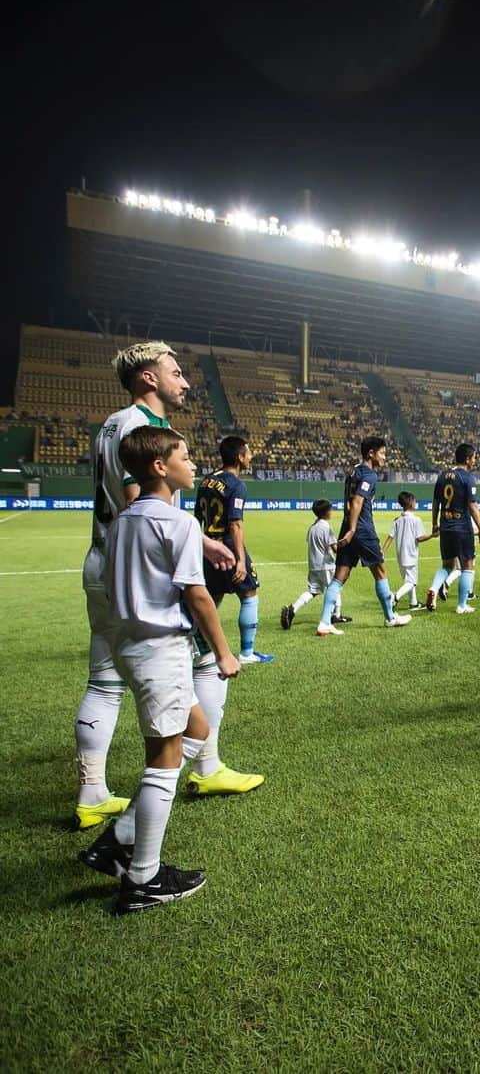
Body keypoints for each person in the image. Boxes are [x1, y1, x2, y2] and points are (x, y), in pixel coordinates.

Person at [74, 342, 245, 830]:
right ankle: (204, 765)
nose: (185, 382)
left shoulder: (110, 423)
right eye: (175, 373)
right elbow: (140, 503)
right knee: (210, 661)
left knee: (103, 682)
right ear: (149, 379)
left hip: (104, 564)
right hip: (142, 575)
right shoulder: (141, 430)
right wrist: (193, 544)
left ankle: (91, 793)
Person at [78, 426, 240, 914]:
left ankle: (120, 837)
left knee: (197, 728)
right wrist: (224, 652)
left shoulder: (125, 518)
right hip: (160, 647)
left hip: (128, 643)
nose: (193, 464)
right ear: (159, 467)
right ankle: (143, 877)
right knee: (165, 759)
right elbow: (196, 594)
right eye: (184, 457)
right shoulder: (178, 523)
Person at [318, 436, 411, 634]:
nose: (385, 457)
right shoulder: (369, 475)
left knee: (339, 576)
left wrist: (348, 529)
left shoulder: (353, 471)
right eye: (383, 453)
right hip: (361, 529)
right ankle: (390, 617)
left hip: (348, 527)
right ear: (371, 453)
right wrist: (353, 530)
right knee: (381, 573)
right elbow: (358, 502)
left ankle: (325, 622)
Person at [194, 435, 274, 663]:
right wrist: (240, 560)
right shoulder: (236, 485)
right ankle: (247, 653)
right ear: (239, 457)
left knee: (212, 596)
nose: (251, 456)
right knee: (249, 593)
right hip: (228, 546)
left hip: (208, 545)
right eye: (248, 452)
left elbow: (197, 518)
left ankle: (199, 646)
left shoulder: (206, 481)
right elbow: (235, 523)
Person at [425, 444, 480, 615]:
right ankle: (461, 605)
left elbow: (436, 502)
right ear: (467, 459)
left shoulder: (442, 476)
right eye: (474, 457)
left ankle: (434, 587)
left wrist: (434, 524)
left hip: (445, 525)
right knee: (467, 567)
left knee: (447, 565)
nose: (475, 461)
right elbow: (472, 505)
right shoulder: (467, 478)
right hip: (462, 527)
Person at [281, 500, 350, 628]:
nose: (332, 512)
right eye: (330, 509)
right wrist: (345, 543)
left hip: (314, 565)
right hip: (326, 565)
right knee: (335, 587)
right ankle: (337, 615)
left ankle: (293, 609)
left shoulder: (312, 527)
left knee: (313, 591)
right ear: (326, 512)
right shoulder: (326, 527)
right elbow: (334, 548)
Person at [382, 491, 435, 610]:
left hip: (400, 555)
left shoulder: (397, 520)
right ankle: (395, 597)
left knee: (408, 579)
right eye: (415, 501)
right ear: (411, 503)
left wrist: (383, 551)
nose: (416, 503)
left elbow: (390, 537)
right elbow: (420, 538)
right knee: (412, 581)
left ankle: (413, 603)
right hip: (410, 555)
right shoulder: (416, 520)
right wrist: (432, 535)